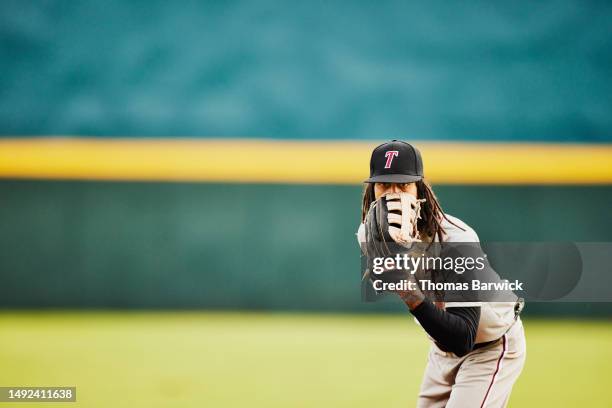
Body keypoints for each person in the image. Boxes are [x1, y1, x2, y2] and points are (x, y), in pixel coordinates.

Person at [357, 140, 526, 408]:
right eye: (384, 185)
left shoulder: (457, 240)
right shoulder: (372, 233)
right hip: (441, 349)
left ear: (420, 189)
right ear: (372, 190)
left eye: (403, 185)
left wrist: (407, 291)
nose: (392, 194)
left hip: (490, 347)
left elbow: (463, 337)